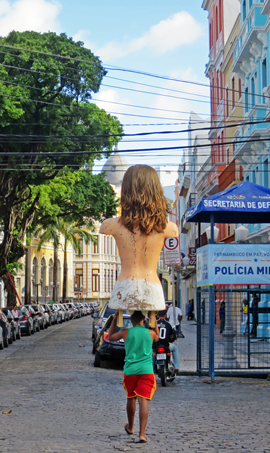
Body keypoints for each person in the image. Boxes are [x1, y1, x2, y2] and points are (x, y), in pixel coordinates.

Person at [100, 165, 179, 312]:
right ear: (155, 190)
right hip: (153, 288)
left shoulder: (110, 225)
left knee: (122, 329)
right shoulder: (170, 227)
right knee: (151, 333)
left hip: (124, 287)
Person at [108, 310, 159, 443]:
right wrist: (153, 319)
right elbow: (158, 336)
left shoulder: (125, 332)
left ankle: (131, 427)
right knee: (144, 401)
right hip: (146, 370)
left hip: (130, 371)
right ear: (144, 319)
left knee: (131, 398)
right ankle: (142, 434)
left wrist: (114, 319)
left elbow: (110, 337)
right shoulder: (151, 333)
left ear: (131, 319)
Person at [154, 309, 179, 375]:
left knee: (152, 353)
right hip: (166, 345)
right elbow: (172, 335)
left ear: (158, 315)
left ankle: (151, 368)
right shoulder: (169, 324)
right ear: (165, 315)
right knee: (175, 349)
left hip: (156, 345)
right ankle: (176, 367)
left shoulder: (154, 323)